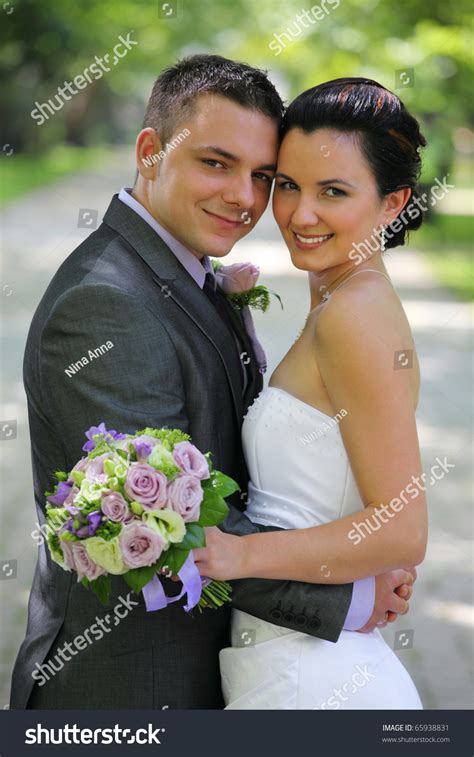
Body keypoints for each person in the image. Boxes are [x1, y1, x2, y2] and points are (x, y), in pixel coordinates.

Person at [10, 60, 414, 710]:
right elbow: (164, 522)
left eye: (262, 176)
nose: (245, 199)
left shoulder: (192, 268)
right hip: (133, 686)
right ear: (150, 151)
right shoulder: (103, 304)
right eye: (216, 163)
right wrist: (348, 591)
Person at [193, 78, 428, 709]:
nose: (300, 214)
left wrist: (238, 556)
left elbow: (402, 530)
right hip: (294, 654)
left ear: (392, 203)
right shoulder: (340, 298)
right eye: (289, 184)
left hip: (316, 680)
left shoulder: (355, 314)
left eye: (334, 192)